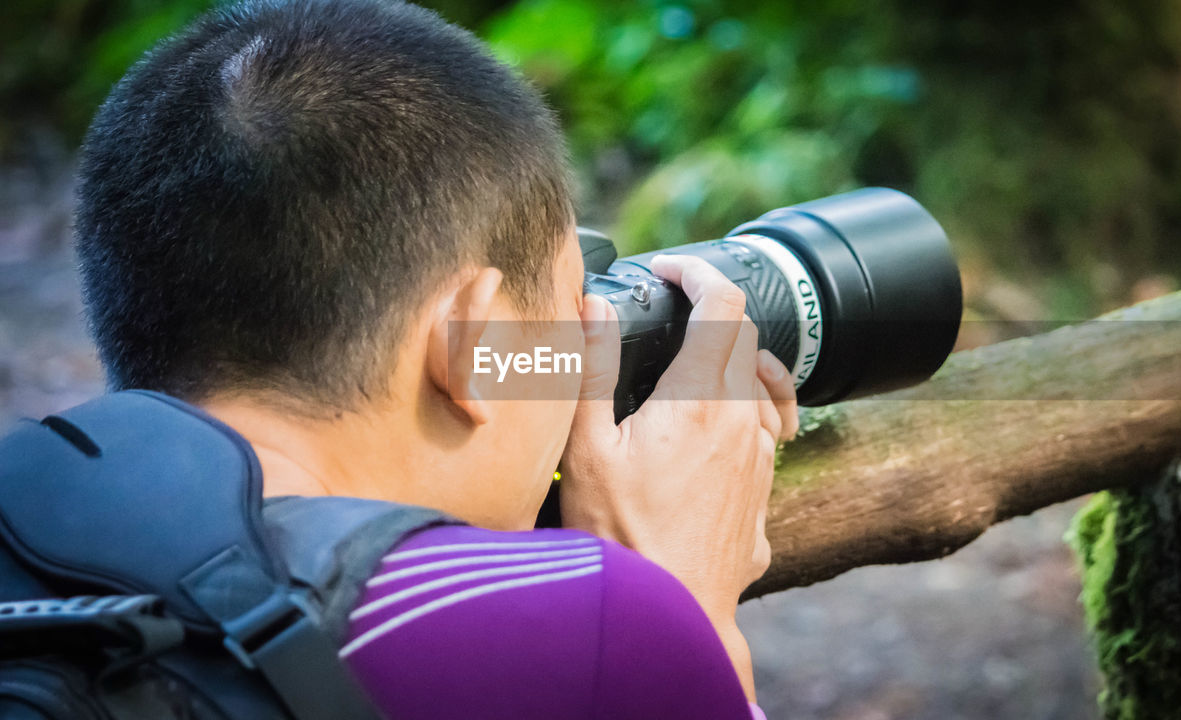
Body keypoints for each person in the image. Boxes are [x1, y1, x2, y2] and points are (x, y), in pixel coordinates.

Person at [74, 0, 798, 717]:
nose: (578, 356)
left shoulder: (42, 529)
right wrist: (681, 606)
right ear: (476, 342)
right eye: (573, 307)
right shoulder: (593, 635)